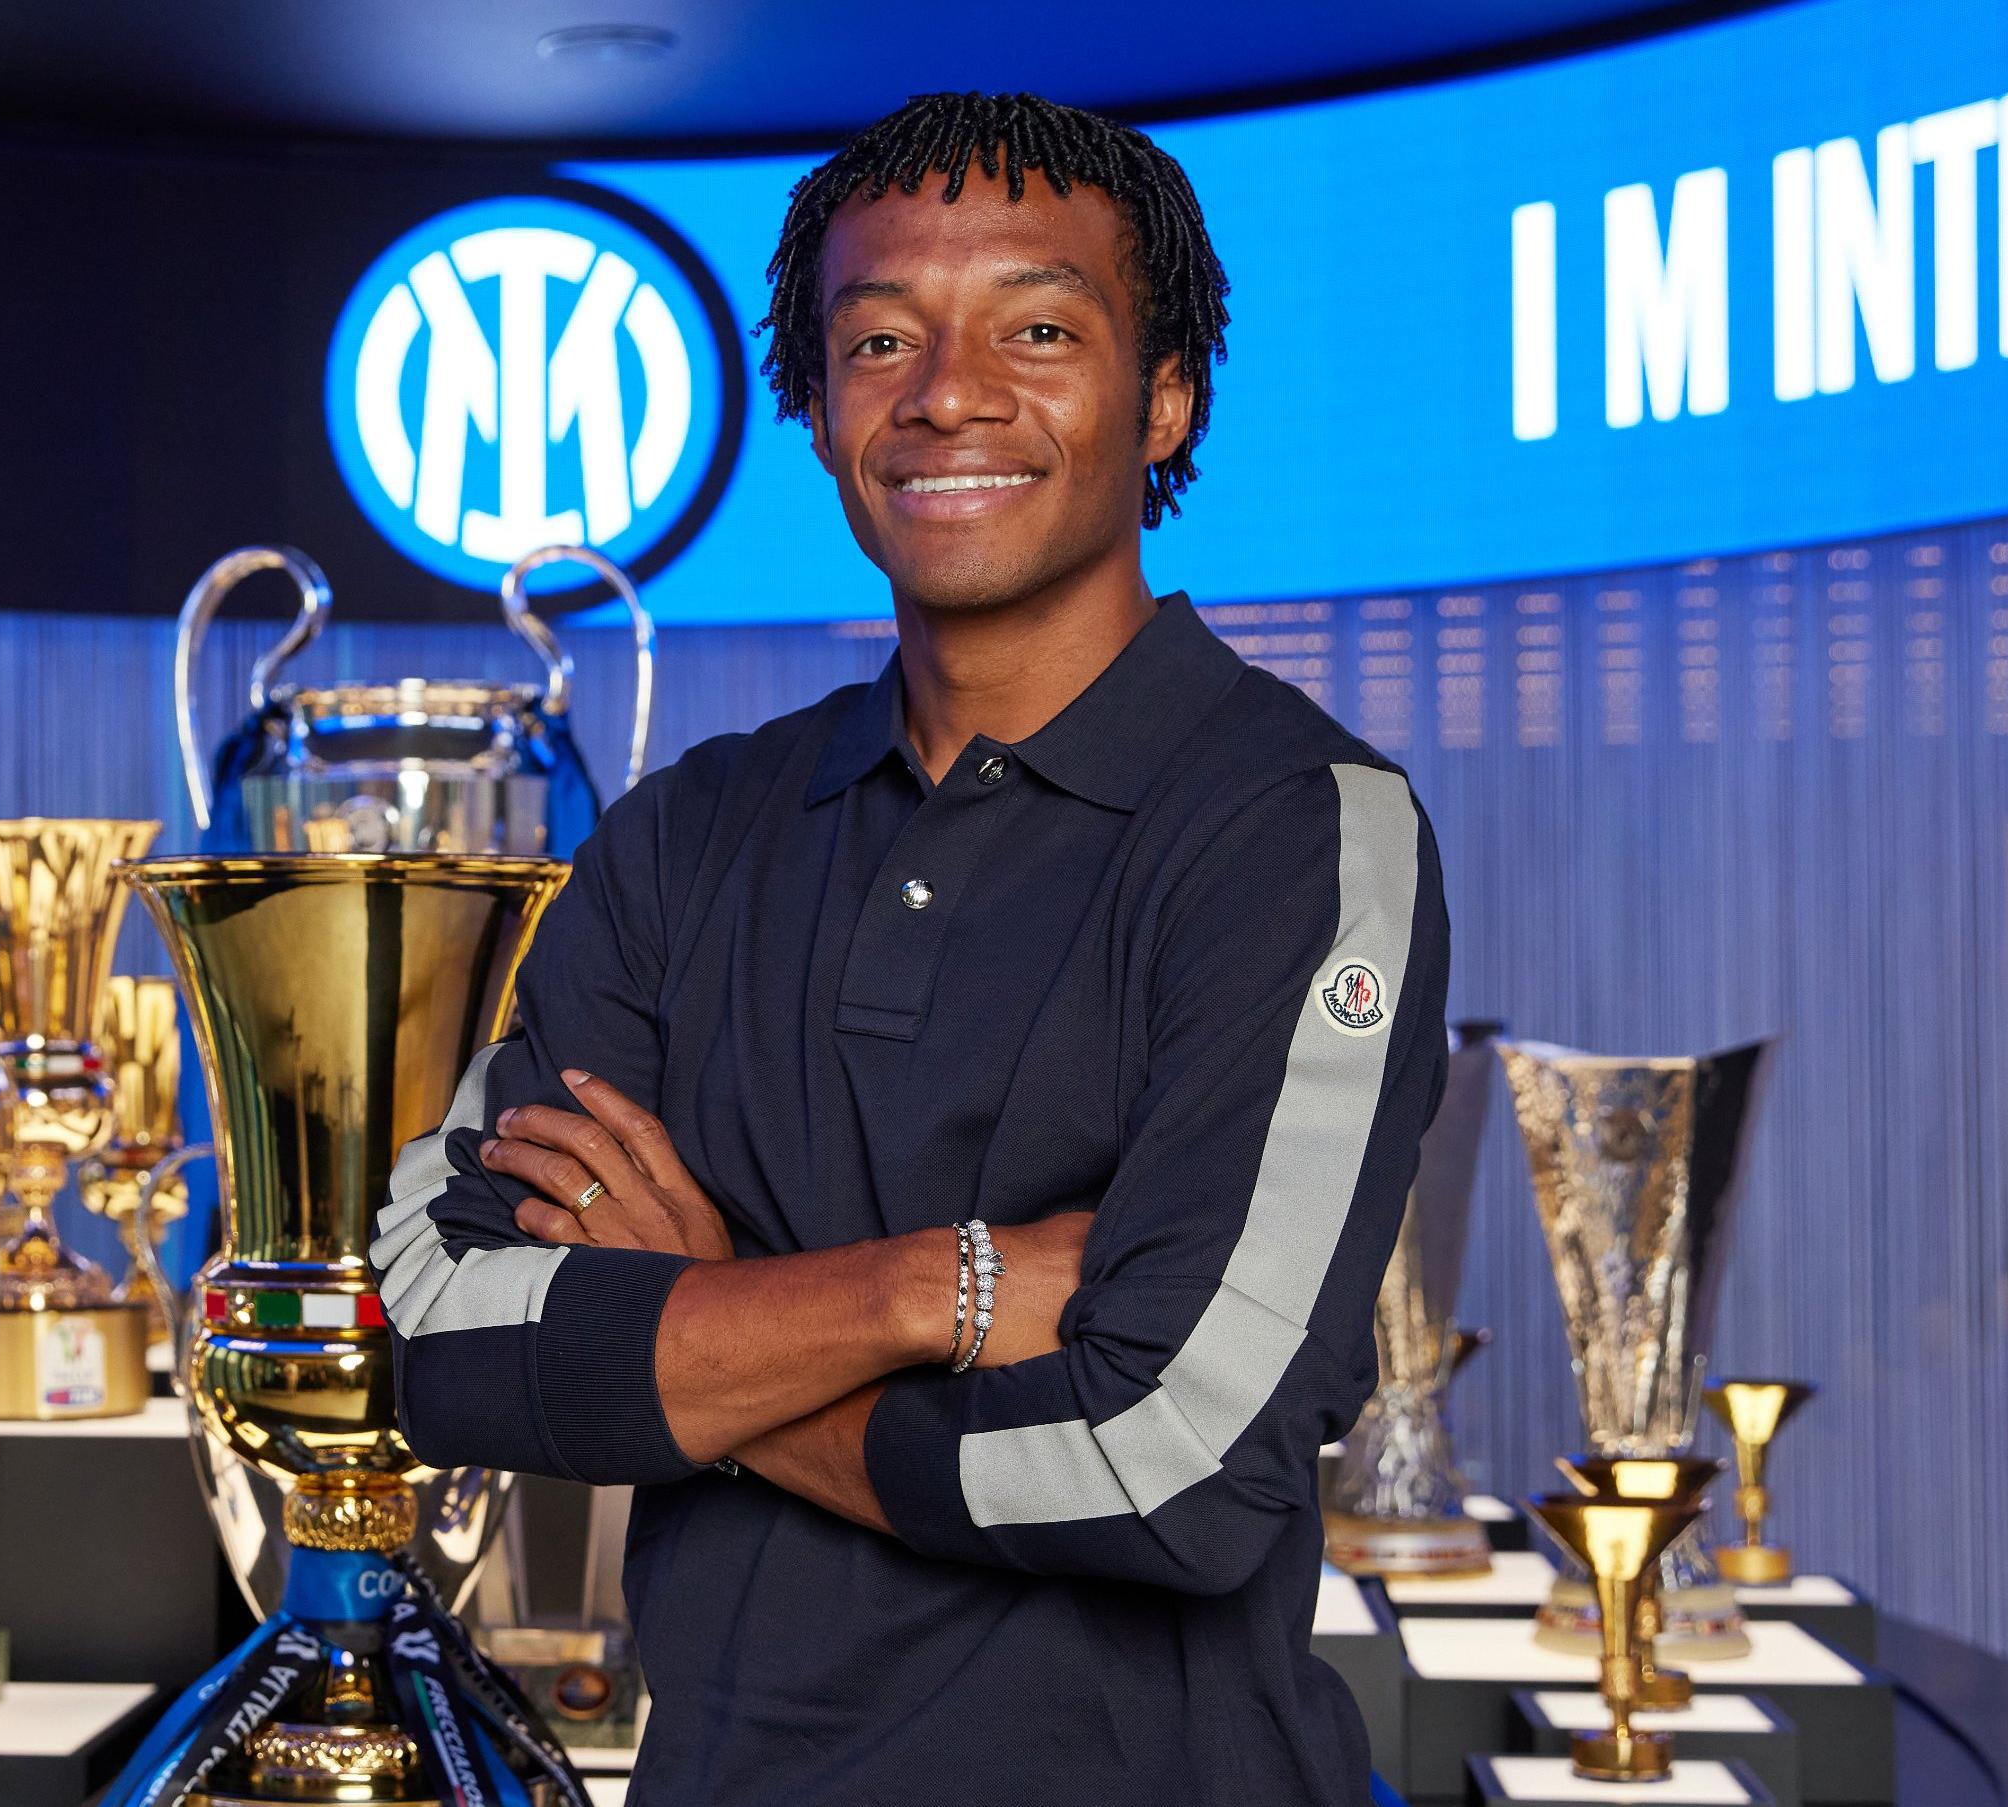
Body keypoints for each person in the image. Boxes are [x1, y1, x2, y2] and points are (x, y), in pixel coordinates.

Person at [374, 91, 1451, 1803]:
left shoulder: (1297, 830)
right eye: (882, 338)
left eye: (1038, 327)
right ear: (814, 412)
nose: (950, 391)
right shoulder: (689, 833)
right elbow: (437, 1338)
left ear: (1165, 393)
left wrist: (700, 1333)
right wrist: (927, 1293)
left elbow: (1170, 1469)